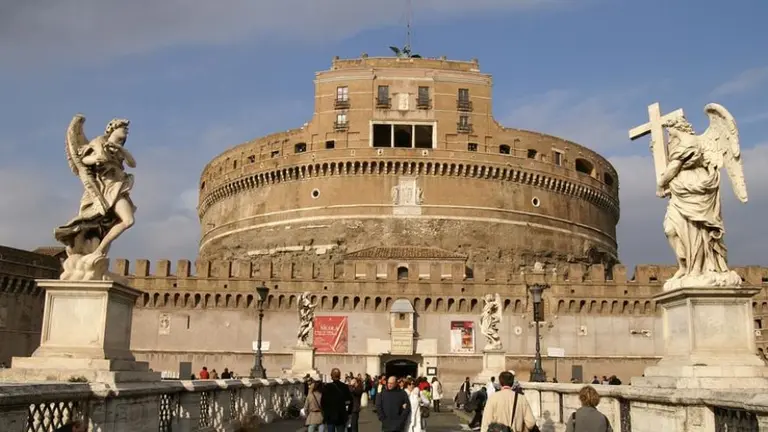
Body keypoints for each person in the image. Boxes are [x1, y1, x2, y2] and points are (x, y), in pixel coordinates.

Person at [321, 368, 353, 432]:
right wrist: (348, 412)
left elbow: (323, 402)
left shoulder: (327, 387)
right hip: (341, 415)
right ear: (339, 376)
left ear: (331, 376)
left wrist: (325, 412)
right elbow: (350, 401)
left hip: (330, 416)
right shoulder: (345, 387)